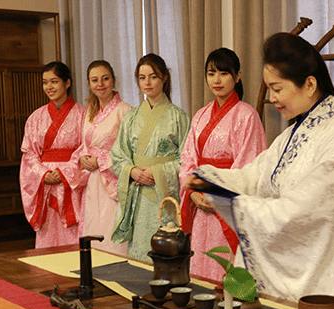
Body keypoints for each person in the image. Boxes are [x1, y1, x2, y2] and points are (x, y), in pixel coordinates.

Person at [183, 33, 334, 309]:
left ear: (310, 84)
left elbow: (306, 208)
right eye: (269, 89)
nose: (272, 98)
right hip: (304, 259)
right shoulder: (292, 133)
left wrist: (238, 206)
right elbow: (256, 175)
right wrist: (213, 180)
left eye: (277, 88)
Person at [179, 48, 267, 282]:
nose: (216, 80)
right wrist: (193, 192)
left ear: (237, 76)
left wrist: (216, 194)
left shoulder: (247, 116)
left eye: (223, 73)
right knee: (201, 266)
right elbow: (188, 158)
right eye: (211, 74)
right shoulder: (200, 115)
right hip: (201, 203)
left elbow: (249, 165)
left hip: (227, 206)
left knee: (228, 266)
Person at [111, 53, 190, 262]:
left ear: (164, 77)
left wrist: (157, 172)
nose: (147, 82)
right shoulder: (131, 117)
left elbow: (187, 159)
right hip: (137, 193)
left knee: (163, 251)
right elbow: (118, 155)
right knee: (139, 253)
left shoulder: (178, 116)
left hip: (163, 195)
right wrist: (132, 171)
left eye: (153, 76)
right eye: (142, 77)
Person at [20, 61, 86, 249]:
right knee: (48, 233)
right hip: (46, 183)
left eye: (54, 81)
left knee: (73, 233)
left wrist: (64, 172)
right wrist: (43, 174)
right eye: (45, 82)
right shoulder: (36, 117)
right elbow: (29, 153)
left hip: (71, 181)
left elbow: (86, 149)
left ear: (67, 83)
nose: (49, 87)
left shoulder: (84, 114)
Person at [70, 60, 132, 254]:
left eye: (105, 78)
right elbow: (85, 144)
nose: (100, 84)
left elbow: (129, 150)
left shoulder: (125, 111)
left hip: (112, 180)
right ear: (89, 84)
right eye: (95, 80)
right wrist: (82, 158)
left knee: (110, 226)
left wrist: (101, 161)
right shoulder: (90, 111)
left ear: (113, 80)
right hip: (93, 179)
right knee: (93, 225)